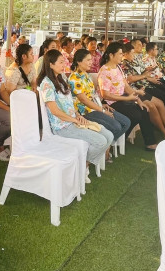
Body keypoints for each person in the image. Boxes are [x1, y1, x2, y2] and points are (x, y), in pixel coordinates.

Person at [38, 49, 113, 183]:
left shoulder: (61, 79)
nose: (64, 65)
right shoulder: (47, 83)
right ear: (50, 64)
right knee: (100, 141)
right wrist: (74, 119)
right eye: (61, 62)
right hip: (62, 126)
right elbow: (54, 111)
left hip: (72, 121)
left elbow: (70, 103)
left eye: (64, 62)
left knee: (109, 136)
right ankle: (82, 167)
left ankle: (83, 165)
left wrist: (78, 115)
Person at [98, 42, 157, 151]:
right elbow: (105, 95)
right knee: (136, 115)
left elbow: (126, 86)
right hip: (111, 103)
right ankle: (119, 139)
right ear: (111, 55)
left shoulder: (118, 68)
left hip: (122, 99)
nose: (122, 56)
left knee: (143, 109)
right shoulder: (104, 70)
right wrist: (128, 98)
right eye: (120, 54)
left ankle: (150, 143)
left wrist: (138, 100)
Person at [68, 49, 130, 147]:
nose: (91, 62)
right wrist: (102, 111)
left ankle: (107, 145)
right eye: (88, 60)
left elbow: (92, 95)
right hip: (85, 112)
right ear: (79, 62)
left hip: (95, 107)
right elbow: (84, 100)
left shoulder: (86, 75)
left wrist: (102, 105)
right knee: (116, 126)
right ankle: (105, 147)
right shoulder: (74, 78)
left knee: (126, 122)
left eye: (91, 60)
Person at [122, 43, 165, 138]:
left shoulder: (132, 61)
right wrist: (144, 75)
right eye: (132, 54)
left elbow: (140, 73)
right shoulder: (124, 65)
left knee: (160, 102)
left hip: (142, 87)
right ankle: (164, 132)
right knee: (153, 105)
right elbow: (130, 79)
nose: (134, 56)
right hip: (135, 90)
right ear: (125, 54)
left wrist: (146, 71)